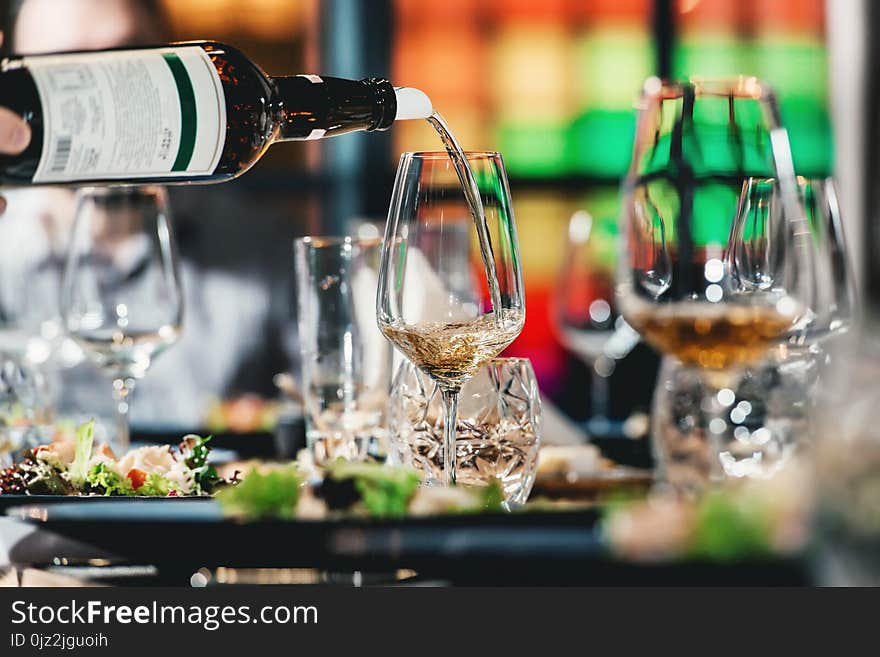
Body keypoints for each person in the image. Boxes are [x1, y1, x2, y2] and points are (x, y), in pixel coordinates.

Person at [0, 0, 300, 435]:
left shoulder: (261, 246)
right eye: (66, 73)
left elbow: (336, 414)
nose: (106, 100)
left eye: (126, 61)